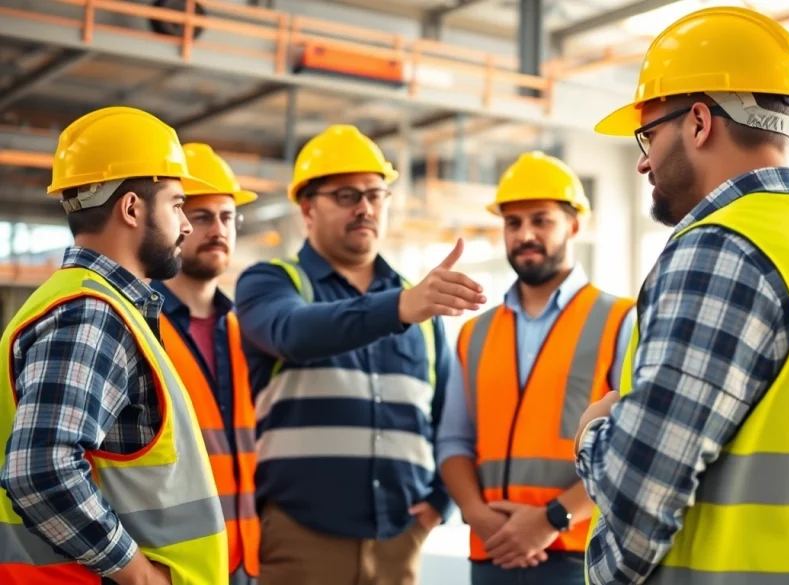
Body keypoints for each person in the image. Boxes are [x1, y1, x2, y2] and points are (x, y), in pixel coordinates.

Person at [573, 6, 789, 585]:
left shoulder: (721, 251)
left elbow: (640, 494)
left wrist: (593, 433)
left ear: (700, 122)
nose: (643, 160)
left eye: (648, 133)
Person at [234, 124, 485, 585]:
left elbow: (447, 415)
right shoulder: (272, 282)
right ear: (307, 207)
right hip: (297, 536)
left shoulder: (417, 302)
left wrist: (439, 503)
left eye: (375, 194)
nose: (365, 207)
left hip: (399, 537)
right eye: (346, 195)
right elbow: (292, 333)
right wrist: (398, 309)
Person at [0, 106, 228, 585]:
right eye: (177, 204)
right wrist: (141, 577)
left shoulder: (89, 304)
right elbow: (40, 470)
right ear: (131, 208)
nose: (185, 225)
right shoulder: (91, 312)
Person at [436, 151, 635, 585]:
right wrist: (476, 515)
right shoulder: (475, 332)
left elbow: (633, 448)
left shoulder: (622, 320)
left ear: (574, 225)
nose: (525, 234)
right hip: (492, 552)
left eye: (541, 220)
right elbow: (453, 439)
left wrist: (551, 520)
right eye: (513, 223)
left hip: (578, 554)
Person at [152, 143, 260, 585]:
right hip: (174, 562)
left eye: (227, 216)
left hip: (246, 558)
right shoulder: (143, 326)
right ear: (174, 221)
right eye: (201, 216)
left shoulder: (247, 329)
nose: (218, 229)